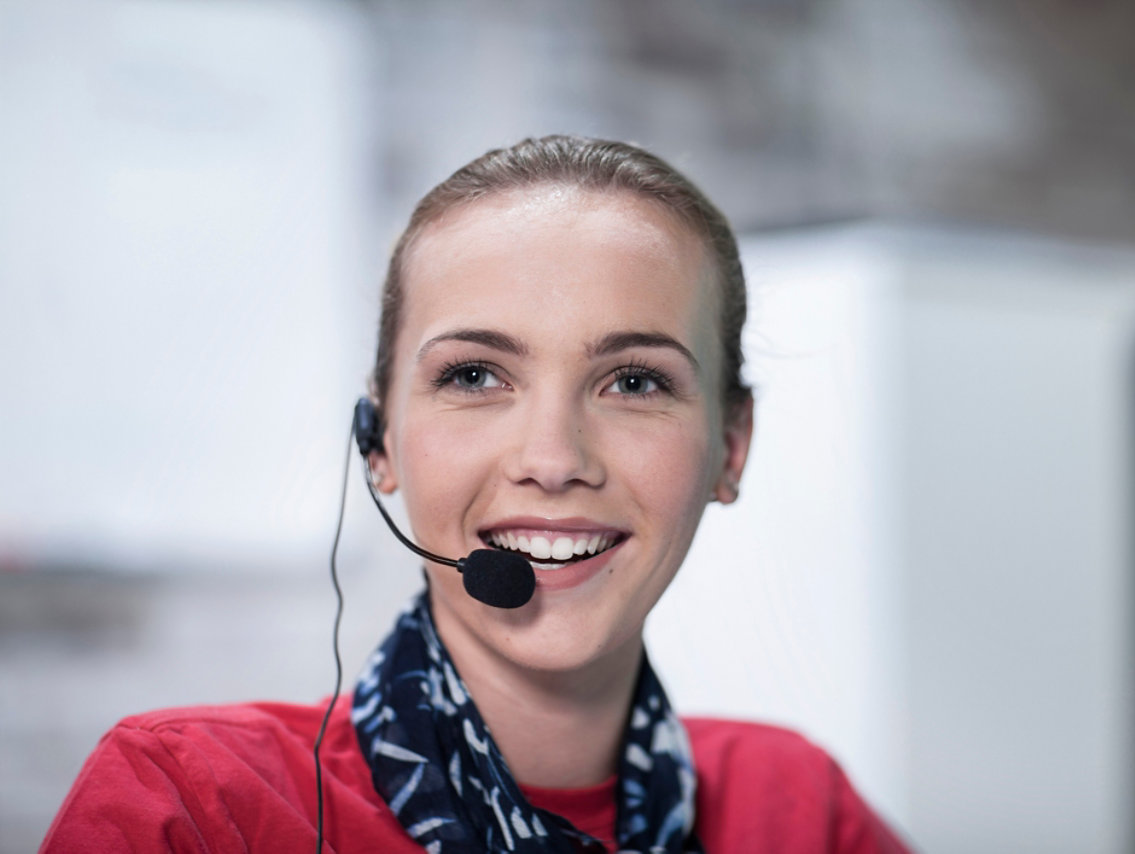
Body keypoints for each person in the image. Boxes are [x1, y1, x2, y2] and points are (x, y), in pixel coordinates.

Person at [41, 135, 910, 853]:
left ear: (731, 445)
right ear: (377, 443)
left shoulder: (800, 810)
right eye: (476, 374)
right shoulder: (195, 805)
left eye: (635, 382)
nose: (552, 458)